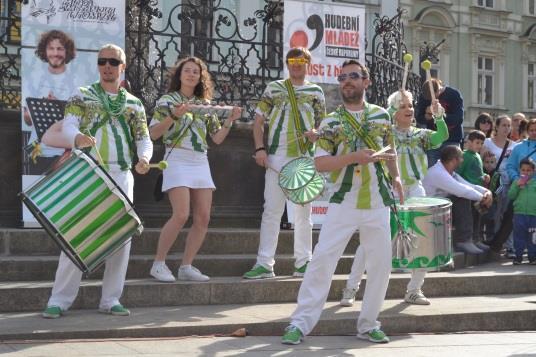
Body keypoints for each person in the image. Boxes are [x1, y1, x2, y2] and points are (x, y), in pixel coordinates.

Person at [281, 60, 403, 345]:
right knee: (322, 261)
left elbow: (391, 151)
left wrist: (396, 178)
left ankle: (369, 324)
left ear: (366, 81)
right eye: (343, 77)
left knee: (380, 266)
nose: (347, 80)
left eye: (353, 76)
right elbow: (321, 163)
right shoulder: (331, 121)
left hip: (377, 203)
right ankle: (299, 324)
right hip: (344, 202)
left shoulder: (382, 116)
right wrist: (353, 157)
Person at [42, 44, 153, 318]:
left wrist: (145, 157)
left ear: (122, 66)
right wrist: (76, 138)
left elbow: (143, 137)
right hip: (88, 172)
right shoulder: (82, 95)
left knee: (120, 237)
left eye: (113, 62)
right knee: (77, 232)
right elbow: (69, 125)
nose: (107, 66)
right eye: (103, 61)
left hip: (122, 173)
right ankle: (59, 299)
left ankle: (111, 299)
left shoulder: (134, 103)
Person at [340, 89, 448, 308]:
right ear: (394, 112)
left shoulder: (420, 135)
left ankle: (414, 289)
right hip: (389, 189)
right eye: (403, 106)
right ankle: (351, 288)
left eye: (410, 105)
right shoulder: (384, 133)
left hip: (415, 190)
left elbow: (441, 136)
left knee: (423, 238)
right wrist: (391, 108)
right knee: (369, 240)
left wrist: (439, 117)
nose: (409, 109)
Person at [148, 57, 242, 282]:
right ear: (179, 75)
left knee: (203, 217)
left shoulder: (205, 105)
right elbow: (153, 134)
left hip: (200, 159)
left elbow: (217, 139)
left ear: (201, 77)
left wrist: (230, 120)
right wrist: (174, 115)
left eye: (196, 72)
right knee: (181, 214)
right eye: (187, 71)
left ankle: (186, 266)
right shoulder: (167, 101)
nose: (191, 75)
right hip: (177, 157)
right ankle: (158, 264)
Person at [243, 47, 326, 279]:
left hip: (303, 158)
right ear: (287, 63)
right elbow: (258, 122)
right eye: (292, 60)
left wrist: (315, 133)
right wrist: (260, 149)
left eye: (301, 60)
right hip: (276, 158)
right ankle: (264, 264)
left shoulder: (316, 92)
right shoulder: (274, 88)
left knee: (303, 214)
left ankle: (303, 263)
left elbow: (323, 127)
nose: (296, 64)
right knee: (271, 212)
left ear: (308, 63)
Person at [23, 30, 78, 171]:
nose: (55, 53)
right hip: (38, 151)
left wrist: (57, 107)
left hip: (65, 153)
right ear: (44, 51)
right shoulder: (33, 79)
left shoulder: (76, 82)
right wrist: (33, 113)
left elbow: (79, 120)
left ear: (67, 52)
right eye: (51, 48)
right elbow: (27, 120)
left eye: (60, 48)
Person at [422, 146, 493, 254]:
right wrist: (483, 198)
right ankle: (463, 240)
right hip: (431, 212)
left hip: (442, 208)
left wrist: (486, 193)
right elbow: (462, 190)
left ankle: (474, 239)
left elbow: (469, 186)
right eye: (461, 158)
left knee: (473, 198)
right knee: (463, 197)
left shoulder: (450, 171)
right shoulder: (438, 173)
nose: (462, 160)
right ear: (454, 160)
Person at [415, 78, 464, 166]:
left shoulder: (453, 94)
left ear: (439, 89)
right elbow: (419, 117)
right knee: (431, 171)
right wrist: (427, 116)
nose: (431, 99)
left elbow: (458, 118)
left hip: (452, 140)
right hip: (433, 141)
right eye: (428, 98)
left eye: (433, 96)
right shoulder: (424, 96)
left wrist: (440, 115)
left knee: (451, 173)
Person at [456, 130, 490, 250]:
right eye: (477, 142)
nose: (479, 146)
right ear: (469, 142)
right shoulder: (464, 155)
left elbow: (477, 172)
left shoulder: (477, 156)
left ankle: (476, 239)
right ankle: (468, 239)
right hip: (468, 193)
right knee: (469, 218)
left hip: (478, 193)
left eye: (481, 143)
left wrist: (484, 175)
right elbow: (458, 174)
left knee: (477, 217)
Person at [508, 158, 536, 265]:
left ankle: (532, 257)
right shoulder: (516, 182)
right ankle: (518, 256)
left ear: (533, 171)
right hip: (519, 214)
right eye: (523, 170)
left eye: (528, 170)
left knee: (533, 236)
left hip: (533, 215)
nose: (525, 172)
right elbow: (511, 195)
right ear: (519, 170)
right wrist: (517, 186)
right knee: (519, 236)